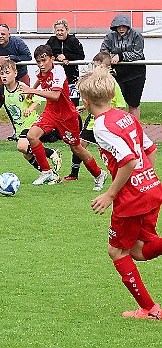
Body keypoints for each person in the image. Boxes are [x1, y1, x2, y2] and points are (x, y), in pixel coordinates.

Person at [77, 66, 162, 320]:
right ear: (113, 94)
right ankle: (150, 309)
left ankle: (150, 310)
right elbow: (151, 150)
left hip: (132, 197)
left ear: (86, 100)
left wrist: (110, 194)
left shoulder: (102, 126)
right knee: (138, 249)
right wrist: (145, 181)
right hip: (151, 188)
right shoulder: (126, 117)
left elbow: (127, 161)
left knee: (116, 251)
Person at [17, 44, 108, 189]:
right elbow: (41, 79)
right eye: (38, 61)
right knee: (32, 136)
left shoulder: (58, 70)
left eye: (44, 60)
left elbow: (55, 95)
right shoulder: (41, 70)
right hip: (50, 112)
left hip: (67, 116)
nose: (41, 65)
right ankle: (47, 172)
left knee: (76, 149)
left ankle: (98, 174)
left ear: (52, 59)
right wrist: (32, 89)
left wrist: (32, 91)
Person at [0, 59, 62, 178]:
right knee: (27, 154)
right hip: (19, 127)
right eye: (2, 73)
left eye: (7, 72)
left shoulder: (22, 87)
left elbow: (36, 100)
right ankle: (49, 174)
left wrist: (30, 108)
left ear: (15, 73)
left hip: (31, 123)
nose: (4, 76)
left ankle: (51, 153)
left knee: (21, 146)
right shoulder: (1, 90)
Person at [62, 51, 126, 182]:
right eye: (94, 66)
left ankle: (120, 175)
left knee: (112, 151)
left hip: (107, 125)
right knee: (77, 146)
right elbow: (95, 102)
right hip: (92, 123)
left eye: (99, 67)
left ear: (107, 68)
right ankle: (74, 174)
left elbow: (120, 105)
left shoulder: (112, 84)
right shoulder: (94, 84)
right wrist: (84, 107)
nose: (96, 69)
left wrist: (110, 116)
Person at [0, 23, 32, 140]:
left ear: (9, 35)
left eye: (3, 34)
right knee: (8, 103)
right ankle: (17, 130)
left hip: (20, 76)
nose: (0, 36)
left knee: (26, 102)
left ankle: (30, 130)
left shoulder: (17, 42)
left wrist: (11, 58)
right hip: (4, 78)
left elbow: (28, 57)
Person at [101, 13, 146, 120]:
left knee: (134, 103)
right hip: (117, 73)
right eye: (119, 27)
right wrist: (111, 57)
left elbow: (138, 53)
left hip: (135, 73)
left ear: (128, 27)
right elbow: (103, 51)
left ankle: (135, 129)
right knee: (116, 102)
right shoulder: (110, 37)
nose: (121, 29)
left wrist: (121, 56)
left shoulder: (136, 35)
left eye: (123, 27)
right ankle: (118, 128)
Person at [46, 19, 84, 107]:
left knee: (73, 106)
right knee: (57, 105)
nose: (59, 33)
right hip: (56, 79)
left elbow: (81, 56)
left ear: (66, 30)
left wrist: (67, 56)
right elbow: (46, 53)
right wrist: (57, 57)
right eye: (57, 30)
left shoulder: (73, 40)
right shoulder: (51, 41)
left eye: (62, 30)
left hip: (72, 79)